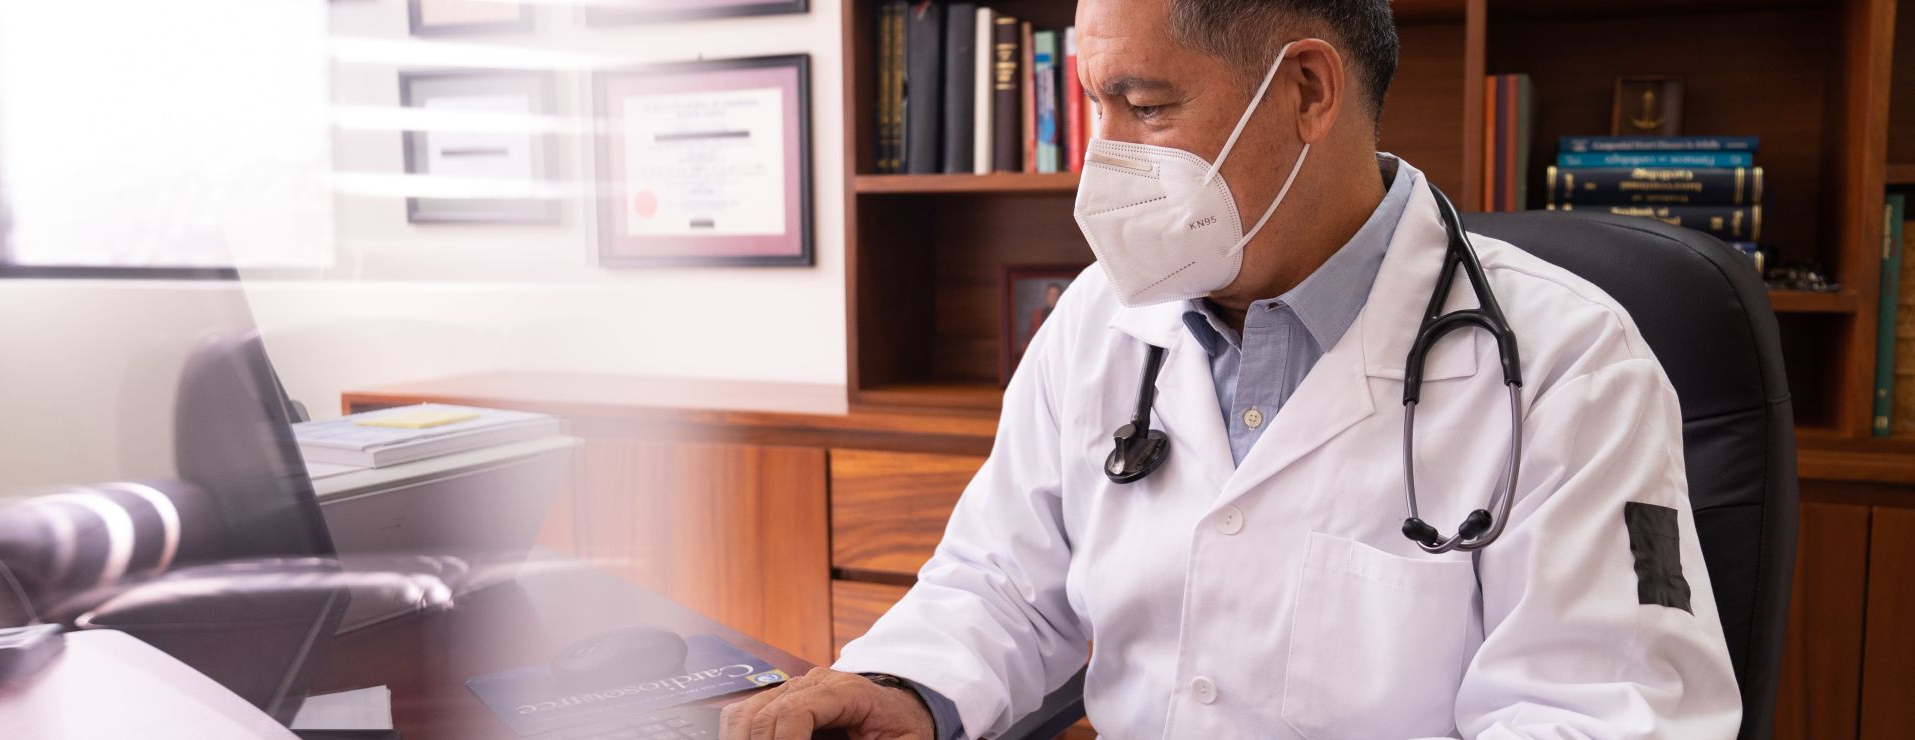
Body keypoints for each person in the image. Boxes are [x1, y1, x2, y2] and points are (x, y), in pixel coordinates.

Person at [721, 0, 1741, 737]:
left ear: (1307, 91)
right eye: (1094, 105)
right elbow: (1002, 583)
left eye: (1145, 105)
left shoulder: (1572, 364)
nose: (1103, 158)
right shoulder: (1099, 321)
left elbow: (1608, 713)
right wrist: (903, 688)